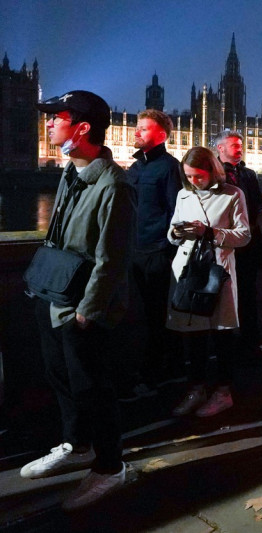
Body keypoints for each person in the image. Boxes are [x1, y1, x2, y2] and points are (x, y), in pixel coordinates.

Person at [22, 90, 136, 510]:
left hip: (82, 307)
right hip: (53, 295)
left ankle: (110, 467)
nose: (49, 124)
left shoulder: (115, 185)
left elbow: (113, 259)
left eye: (56, 118)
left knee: (93, 388)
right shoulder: (70, 171)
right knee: (60, 378)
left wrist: (87, 312)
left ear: (82, 127)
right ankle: (77, 444)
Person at [167, 147, 250, 418]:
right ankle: (197, 389)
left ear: (213, 171)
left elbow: (244, 235)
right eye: (188, 176)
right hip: (188, 271)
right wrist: (176, 232)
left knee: (222, 334)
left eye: (198, 176)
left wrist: (210, 232)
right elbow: (172, 232)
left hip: (217, 272)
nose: (193, 181)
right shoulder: (183, 194)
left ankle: (223, 392)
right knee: (193, 334)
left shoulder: (233, 195)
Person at [125, 109, 183, 398]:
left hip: (157, 252)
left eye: (144, 129)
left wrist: (164, 247)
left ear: (161, 134)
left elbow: (176, 212)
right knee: (138, 315)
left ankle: (155, 373)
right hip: (133, 252)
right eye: (136, 127)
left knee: (156, 316)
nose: (137, 132)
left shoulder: (170, 168)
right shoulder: (134, 168)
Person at [215, 130, 262, 354]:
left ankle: (250, 345)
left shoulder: (248, 174)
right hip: (225, 248)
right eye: (235, 145)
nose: (240, 149)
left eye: (240, 145)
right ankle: (225, 348)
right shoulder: (213, 173)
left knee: (248, 297)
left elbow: (259, 201)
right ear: (220, 148)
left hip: (249, 247)